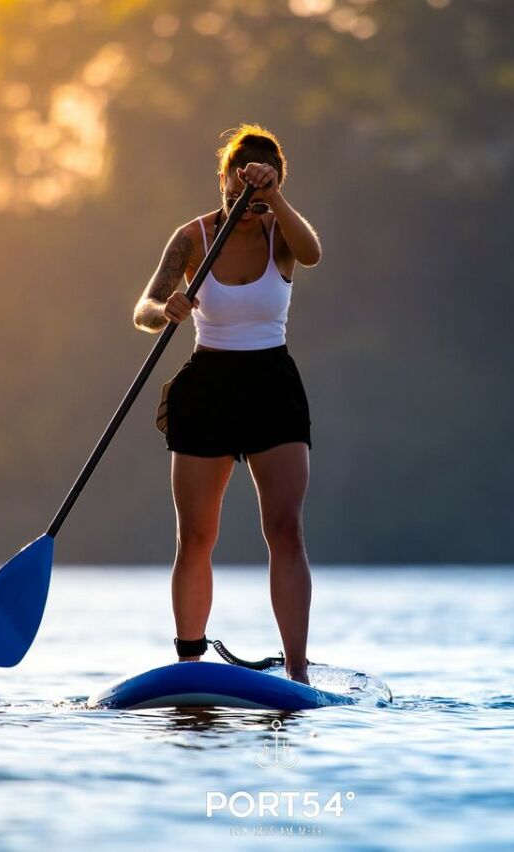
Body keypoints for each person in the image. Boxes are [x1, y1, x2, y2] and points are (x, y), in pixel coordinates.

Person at [132, 124, 323, 685]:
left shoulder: (280, 232)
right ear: (222, 181)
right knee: (196, 535)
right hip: (207, 387)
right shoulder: (192, 239)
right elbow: (143, 308)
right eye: (237, 189)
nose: (244, 204)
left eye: (258, 192)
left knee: (285, 529)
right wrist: (165, 309)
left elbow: (312, 255)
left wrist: (275, 199)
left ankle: (297, 671)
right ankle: (189, 662)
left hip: (272, 385)